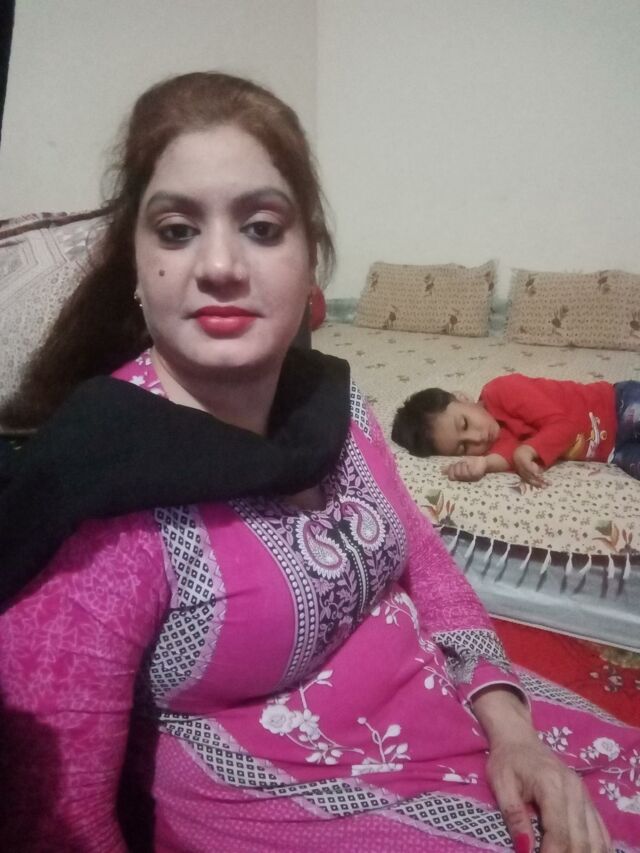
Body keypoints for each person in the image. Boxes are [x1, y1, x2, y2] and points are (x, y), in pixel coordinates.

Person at [0, 72, 638, 853]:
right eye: (176, 229)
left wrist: (514, 732)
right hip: (296, 806)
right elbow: (57, 822)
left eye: (262, 226)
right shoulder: (97, 486)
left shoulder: (332, 402)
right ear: (132, 264)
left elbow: (424, 556)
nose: (221, 264)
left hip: (464, 717)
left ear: (312, 263)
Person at [392, 374, 640, 488]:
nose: (478, 438)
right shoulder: (494, 444)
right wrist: (482, 464)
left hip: (618, 405)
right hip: (614, 452)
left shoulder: (502, 390)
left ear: (462, 398)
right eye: (463, 447)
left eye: (465, 424)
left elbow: (564, 426)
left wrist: (527, 450)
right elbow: (507, 456)